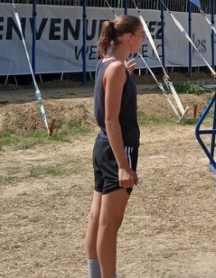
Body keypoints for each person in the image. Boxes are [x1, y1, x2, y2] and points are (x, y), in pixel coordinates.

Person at [85, 15, 144, 278]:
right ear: (129, 37)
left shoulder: (108, 64)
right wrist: (123, 165)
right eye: (141, 34)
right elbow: (111, 119)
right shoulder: (116, 68)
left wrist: (125, 75)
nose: (143, 39)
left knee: (97, 220)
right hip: (117, 149)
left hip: (103, 147)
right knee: (110, 225)